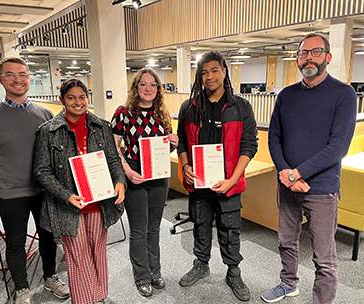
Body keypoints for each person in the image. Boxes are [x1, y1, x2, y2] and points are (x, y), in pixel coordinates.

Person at [262, 33, 357, 304]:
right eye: (303, 53)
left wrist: (296, 173)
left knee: (324, 256)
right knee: (286, 241)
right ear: (297, 60)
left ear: (328, 56)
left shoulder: (344, 94)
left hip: (322, 189)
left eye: (315, 52)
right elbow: (274, 138)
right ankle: (288, 284)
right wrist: (286, 174)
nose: (308, 58)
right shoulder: (286, 95)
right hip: (288, 185)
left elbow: (338, 146)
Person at [0, 57, 69, 304]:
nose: (17, 80)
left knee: (48, 237)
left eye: (22, 74)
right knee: (15, 242)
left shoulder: (45, 114)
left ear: (29, 79)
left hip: (43, 190)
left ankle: (49, 277)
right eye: (10, 75)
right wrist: (0, 172)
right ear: (0, 79)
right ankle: (22, 288)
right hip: (10, 193)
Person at [33, 78, 126, 304]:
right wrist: (66, 195)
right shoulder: (49, 131)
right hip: (68, 206)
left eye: (82, 97)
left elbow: (113, 160)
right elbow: (42, 171)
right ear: (62, 100)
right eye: (71, 98)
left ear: (88, 97)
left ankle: (98, 295)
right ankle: (84, 300)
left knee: (97, 253)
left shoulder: (102, 126)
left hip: (99, 203)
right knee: (77, 256)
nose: (78, 102)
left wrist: (120, 181)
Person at [177, 51, 258, 302]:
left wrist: (232, 180)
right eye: (204, 72)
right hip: (199, 184)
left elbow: (249, 145)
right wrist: (185, 166)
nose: (209, 76)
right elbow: (181, 141)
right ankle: (201, 264)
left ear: (224, 72)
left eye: (214, 70)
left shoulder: (241, 107)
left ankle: (233, 271)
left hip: (229, 184)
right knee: (201, 225)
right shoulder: (189, 107)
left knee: (230, 229)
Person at [111, 68, 178, 297]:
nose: (148, 89)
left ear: (158, 89)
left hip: (158, 175)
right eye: (143, 84)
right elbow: (114, 148)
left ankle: (155, 271)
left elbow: (164, 147)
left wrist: (174, 143)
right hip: (134, 172)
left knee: (154, 227)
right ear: (136, 88)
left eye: (153, 85)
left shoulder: (163, 114)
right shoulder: (123, 113)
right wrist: (128, 171)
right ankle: (141, 275)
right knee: (139, 229)